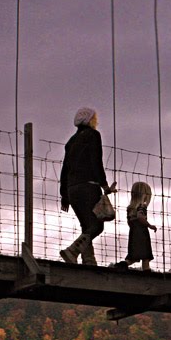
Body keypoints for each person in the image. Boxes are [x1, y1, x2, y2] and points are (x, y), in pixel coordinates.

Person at [59, 107, 115, 265]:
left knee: (86, 225)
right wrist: (104, 185)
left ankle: (89, 260)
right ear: (90, 120)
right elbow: (95, 161)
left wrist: (64, 195)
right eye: (95, 118)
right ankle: (72, 250)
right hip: (88, 187)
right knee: (97, 226)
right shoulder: (93, 135)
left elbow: (65, 168)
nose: (96, 121)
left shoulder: (71, 141)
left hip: (72, 189)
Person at [113, 181, 158, 271]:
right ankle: (146, 269)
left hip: (133, 231)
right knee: (146, 254)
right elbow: (140, 217)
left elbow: (129, 222)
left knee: (133, 254)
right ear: (144, 195)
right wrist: (149, 225)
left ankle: (123, 264)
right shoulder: (142, 206)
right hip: (142, 232)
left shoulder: (130, 207)